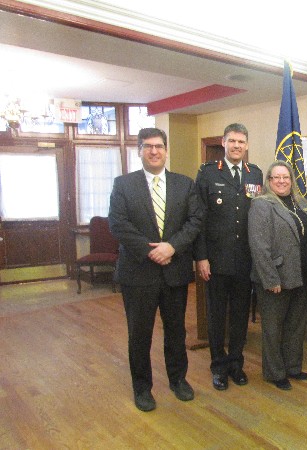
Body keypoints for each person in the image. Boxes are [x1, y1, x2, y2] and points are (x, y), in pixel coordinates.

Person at [109, 127, 202, 412]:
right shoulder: (123, 184)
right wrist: (152, 251)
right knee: (140, 334)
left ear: (166, 149)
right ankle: (142, 389)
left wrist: (171, 247)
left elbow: (195, 221)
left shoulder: (184, 184)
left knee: (176, 331)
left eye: (159, 146)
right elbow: (118, 224)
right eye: (148, 146)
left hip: (174, 271)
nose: (154, 151)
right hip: (138, 273)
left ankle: (178, 380)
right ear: (139, 150)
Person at [194, 123, 263, 391]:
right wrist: (201, 257)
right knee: (216, 315)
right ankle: (218, 367)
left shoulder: (254, 174)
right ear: (223, 143)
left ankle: (236, 364)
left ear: (246, 145)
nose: (236, 146)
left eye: (241, 142)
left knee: (239, 315)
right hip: (217, 260)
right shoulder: (208, 174)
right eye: (232, 141)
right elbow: (199, 219)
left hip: (245, 261)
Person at [248, 161, 307, 390]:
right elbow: (259, 246)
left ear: (291, 180)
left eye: (286, 177)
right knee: (274, 329)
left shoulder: (299, 203)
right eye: (276, 177)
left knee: (296, 326)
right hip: (276, 277)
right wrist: (271, 278)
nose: (282, 181)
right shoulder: (261, 205)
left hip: (300, 275)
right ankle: (275, 373)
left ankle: (293, 367)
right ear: (268, 181)